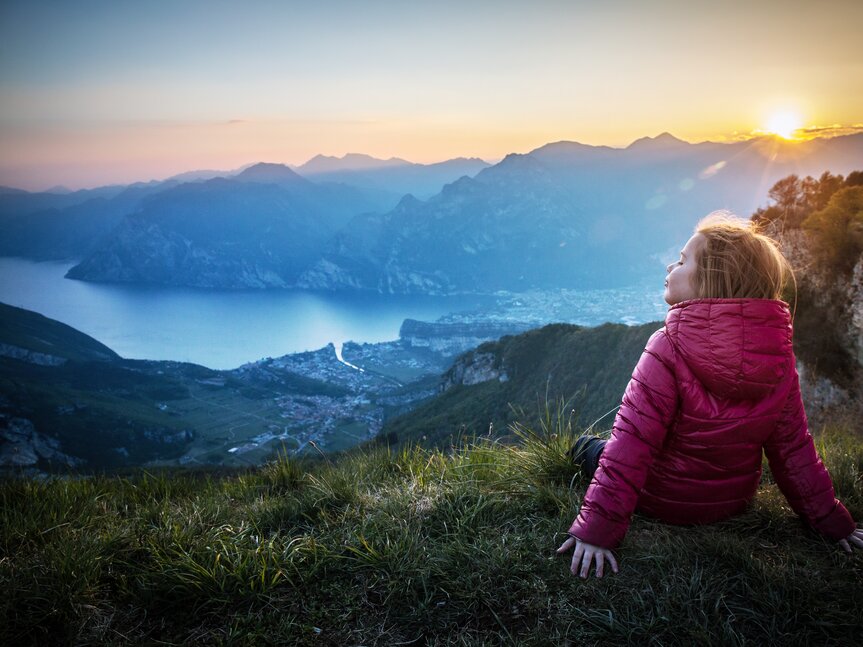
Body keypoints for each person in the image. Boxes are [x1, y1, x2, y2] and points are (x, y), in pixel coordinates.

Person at [556, 211, 863, 579]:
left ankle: (580, 448)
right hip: (730, 502)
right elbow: (794, 452)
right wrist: (833, 522)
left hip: (661, 499)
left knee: (600, 450)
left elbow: (632, 446)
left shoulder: (668, 345)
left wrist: (597, 533)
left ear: (711, 280)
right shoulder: (778, 357)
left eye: (684, 260)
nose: (672, 264)